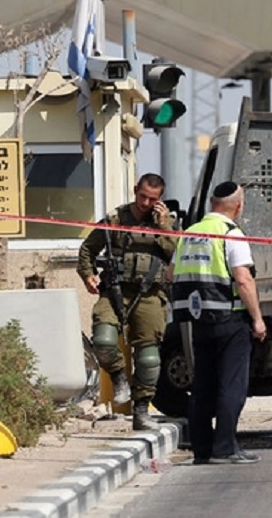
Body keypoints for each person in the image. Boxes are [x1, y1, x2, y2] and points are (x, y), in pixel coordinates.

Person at [170, 182, 267, 465]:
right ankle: (225, 447)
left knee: (203, 384)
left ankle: (202, 449)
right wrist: (258, 319)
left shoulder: (189, 233)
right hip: (229, 317)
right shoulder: (231, 234)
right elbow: (243, 279)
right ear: (238, 206)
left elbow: (170, 272)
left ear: (212, 203)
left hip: (198, 319)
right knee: (231, 385)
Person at [77, 173, 176, 431]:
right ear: (135, 191)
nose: (145, 203)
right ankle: (120, 377)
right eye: (142, 196)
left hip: (151, 294)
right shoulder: (116, 219)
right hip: (115, 290)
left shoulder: (167, 223)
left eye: (152, 198)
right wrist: (88, 275)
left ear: (159, 199)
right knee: (103, 341)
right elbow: (88, 248)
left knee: (148, 358)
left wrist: (164, 226)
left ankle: (141, 411)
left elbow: (176, 252)